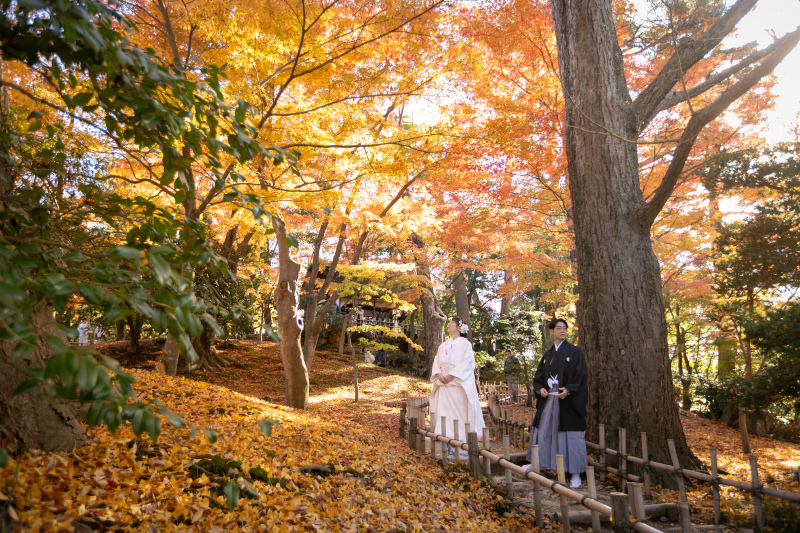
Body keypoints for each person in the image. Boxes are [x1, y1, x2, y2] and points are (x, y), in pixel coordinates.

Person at [525, 318, 588, 488]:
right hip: (549, 400)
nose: (563, 331)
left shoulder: (575, 352)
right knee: (543, 431)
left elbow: (580, 375)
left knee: (570, 435)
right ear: (551, 331)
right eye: (558, 328)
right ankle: (538, 463)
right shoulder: (547, 355)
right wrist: (540, 389)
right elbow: (538, 377)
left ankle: (575, 473)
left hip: (567, 401)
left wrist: (568, 389)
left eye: (564, 328)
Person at [429, 316, 486, 459]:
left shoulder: (466, 344)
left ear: (459, 327)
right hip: (444, 386)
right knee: (445, 416)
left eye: (452, 323)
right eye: (449, 323)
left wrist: (452, 375)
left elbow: (467, 363)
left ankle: (462, 447)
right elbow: (436, 360)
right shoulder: (443, 345)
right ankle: (449, 446)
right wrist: (438, 373)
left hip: (457, 386)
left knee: (459, 417)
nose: (449, 325)